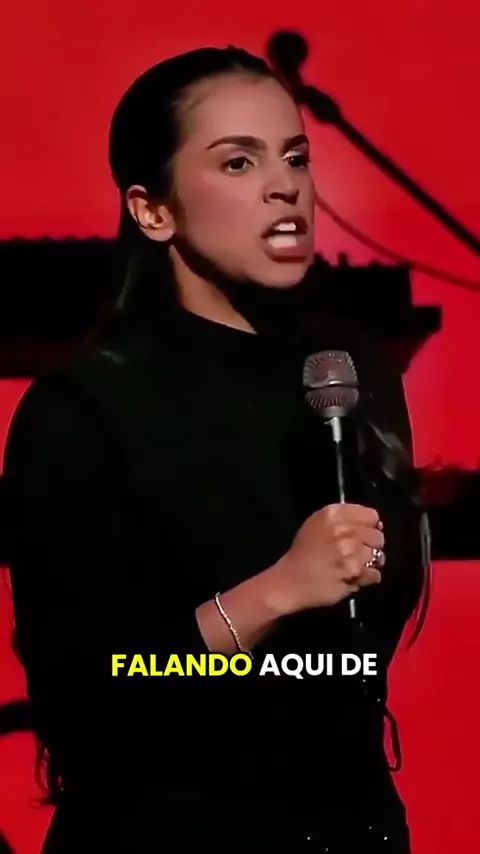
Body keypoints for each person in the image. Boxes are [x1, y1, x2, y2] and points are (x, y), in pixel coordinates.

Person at [3, 47, 428, 853]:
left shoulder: (344, 376)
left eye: (295, 157)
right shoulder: (86, 410)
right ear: (152, 210)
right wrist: (275, 592)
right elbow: (92, 696)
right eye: (238, 161)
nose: (284, 186)